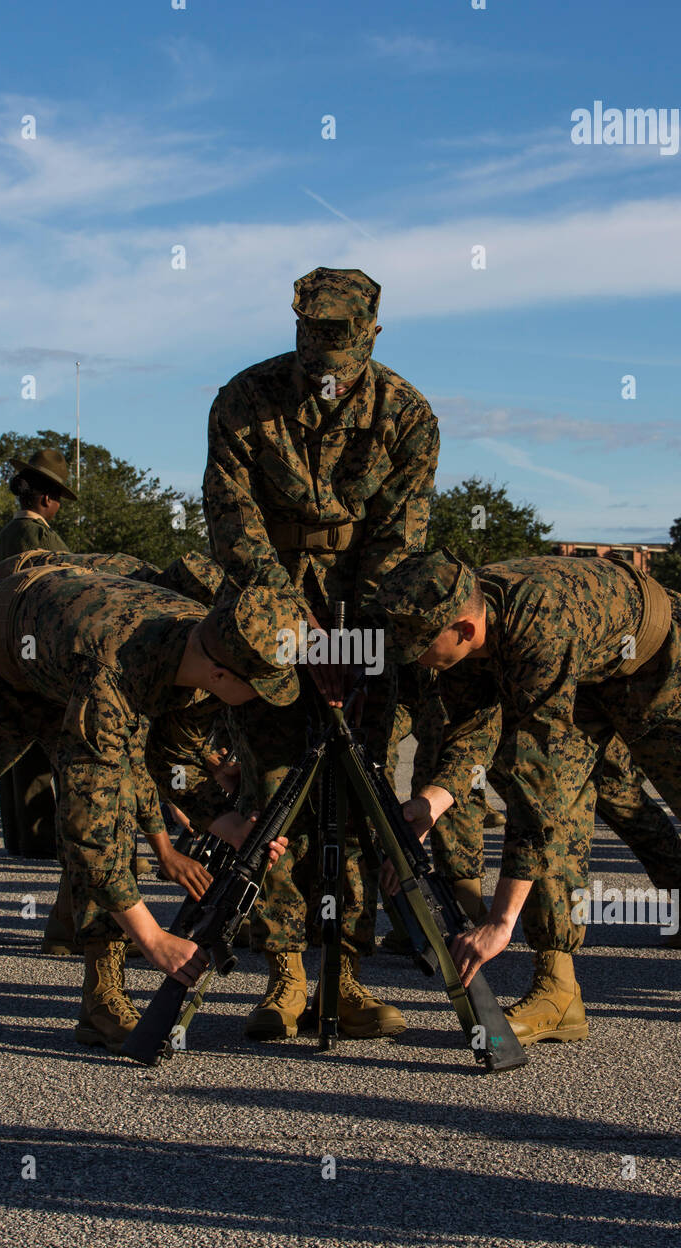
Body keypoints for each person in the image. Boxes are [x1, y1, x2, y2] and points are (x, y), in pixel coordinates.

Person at [0, 562, 297, 1051]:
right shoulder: (115, 673)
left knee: (119, 803)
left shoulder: (200, 645)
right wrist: (153, 940)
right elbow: (89, 829)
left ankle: (103, 999)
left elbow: (168, 758)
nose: (262, 699)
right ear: (220, 672)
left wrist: (226, 820)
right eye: (262, 686)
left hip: (60, 666)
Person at [376, 549, 681, 1046]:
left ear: (465, 629)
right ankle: (558, 991)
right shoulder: (470, 633)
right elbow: (474, 731)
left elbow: (539, 789)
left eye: (421, 646)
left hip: (656, 665)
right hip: (583, 677)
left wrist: (500, 921)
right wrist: (434, 799)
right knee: (567, 821)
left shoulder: (537, 623)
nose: (416, 659)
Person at [203, 266, 438, 1040]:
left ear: (371, 334)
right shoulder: (245, 398)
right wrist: (294, 628)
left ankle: (345, 971)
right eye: (312, 343)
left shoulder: (406, 413)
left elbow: (401, 537)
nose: (323, 362)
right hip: (270, 604)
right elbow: (233, 523)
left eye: (339, 346)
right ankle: (284, 978)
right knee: (274, 790)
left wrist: (351, 638)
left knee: (360, 790)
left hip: (363, 608)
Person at [383, 663, 681, 951]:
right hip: (463, 671)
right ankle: (456, 909)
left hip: (562, 685)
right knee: (449, 773)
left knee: (616, 792)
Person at [0, 449, 76, 859]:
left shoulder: (7, 533)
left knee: (19, 744)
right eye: (59, 497)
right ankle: (43, 837)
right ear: (45, 498)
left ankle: (23, 835)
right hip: (37, 649)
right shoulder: (38, 537)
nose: (59, 506)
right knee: (45, 742)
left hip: (9, 646)